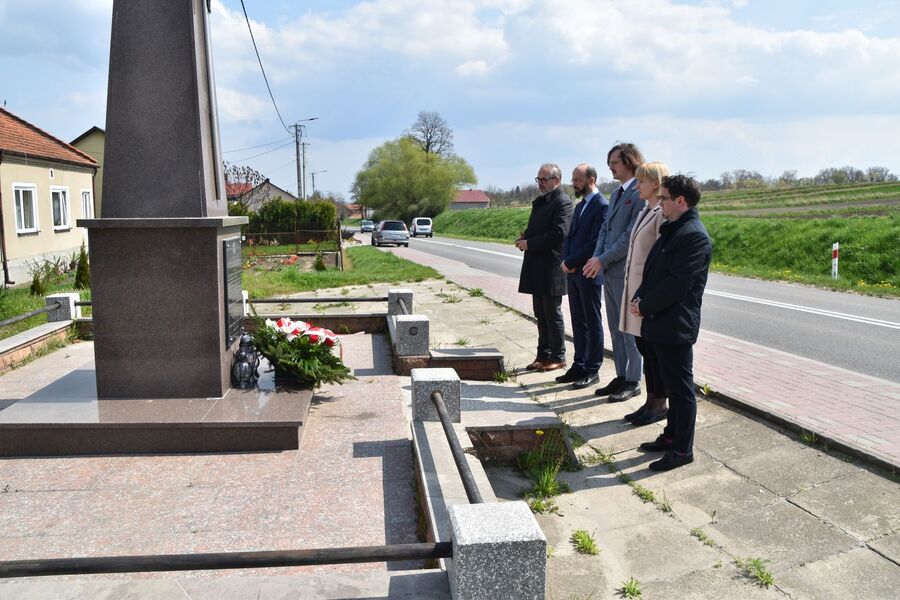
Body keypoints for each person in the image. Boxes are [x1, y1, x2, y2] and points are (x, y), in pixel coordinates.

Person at [631, 174, 712, 471]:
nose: (660, 203)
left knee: (681, 390)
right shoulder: (672, 229)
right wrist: (640, 297)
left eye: (664, 198)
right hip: (658, 321)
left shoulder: (694, 235)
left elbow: (677, 284)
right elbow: (653, 272)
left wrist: (645, 305)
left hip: (675, 325)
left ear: (680, 201)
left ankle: (681, 449)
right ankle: (670, 436)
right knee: (671, 384)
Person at [583, 143, 645, 402]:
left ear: (629, 162)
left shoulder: (639, 191)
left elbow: (629, 236)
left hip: (626, 271)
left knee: (630, 329)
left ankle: (633, 379)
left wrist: (603, 258)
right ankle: (621, 374)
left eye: (615, 162)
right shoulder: (617, 192)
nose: (610, 167)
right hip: (608, 270)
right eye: (609, 163)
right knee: (616, 327)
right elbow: (605, 230)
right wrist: (597, 257)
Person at [620, 162, 670, 426]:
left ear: (656, 184)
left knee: (652, 349)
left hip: (647, 292)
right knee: (643, 346)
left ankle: (660, 403)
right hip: (635, 288)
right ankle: (650, 401)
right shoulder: (645, 210)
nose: (637, 186)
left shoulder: (662, 213)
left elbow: (660, 256)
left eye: (642, 181)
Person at [517, 163, 574, 372]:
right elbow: (541, 228)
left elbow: (559, 234)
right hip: (536, 265)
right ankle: (543, 355)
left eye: (544, 179)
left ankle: (558, 356)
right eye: (538, 179)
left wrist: (530, 243)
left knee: (552, 314)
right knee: (540, 314)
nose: (540, 183)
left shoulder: (563, 202)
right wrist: (526, 237)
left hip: (551, 266)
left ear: (556, 180)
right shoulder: (541, 201)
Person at [556, 164, 608, 389]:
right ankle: (579, 364)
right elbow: (569, 237)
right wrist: (565, 260)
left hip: (588, 272)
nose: (574, 184)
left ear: (591, 180)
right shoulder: (580, 206)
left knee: (592, 321)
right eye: (573, 180)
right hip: (574, 273)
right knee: (578, 321)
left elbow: (596, 241)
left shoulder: (601, 205)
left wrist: (572, 262)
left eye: (577, 180)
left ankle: (592, 368)